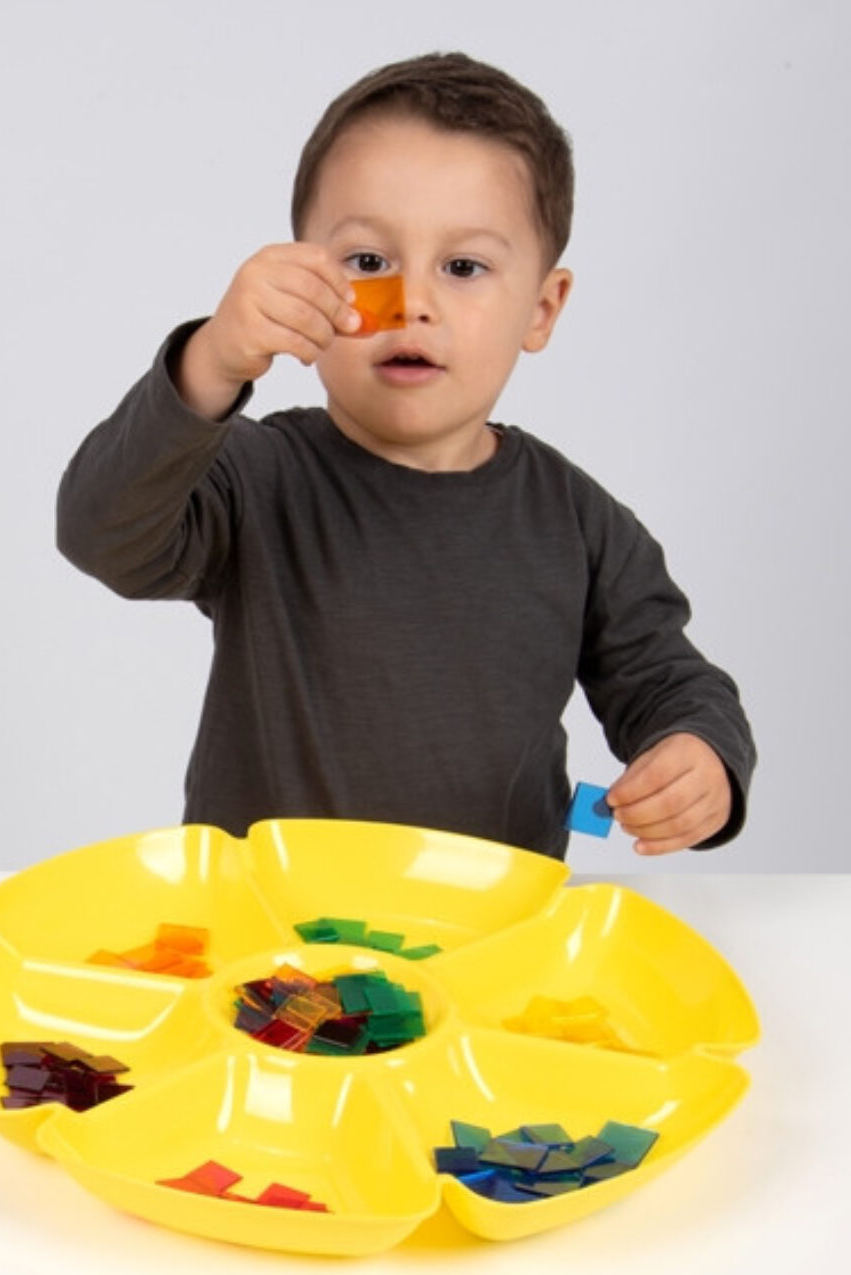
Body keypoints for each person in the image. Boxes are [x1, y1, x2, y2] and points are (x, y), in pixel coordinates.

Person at [56, 51, 755, 859]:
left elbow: (670, 680)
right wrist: (212, 360)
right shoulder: (256, 478)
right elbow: (100, 532)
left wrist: (700, 756)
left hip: (483, 941)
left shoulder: (579, 523)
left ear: (542, 307)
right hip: (269, 942)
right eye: (367, 263)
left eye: (463, 267)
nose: (414, 303)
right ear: (301, 282)